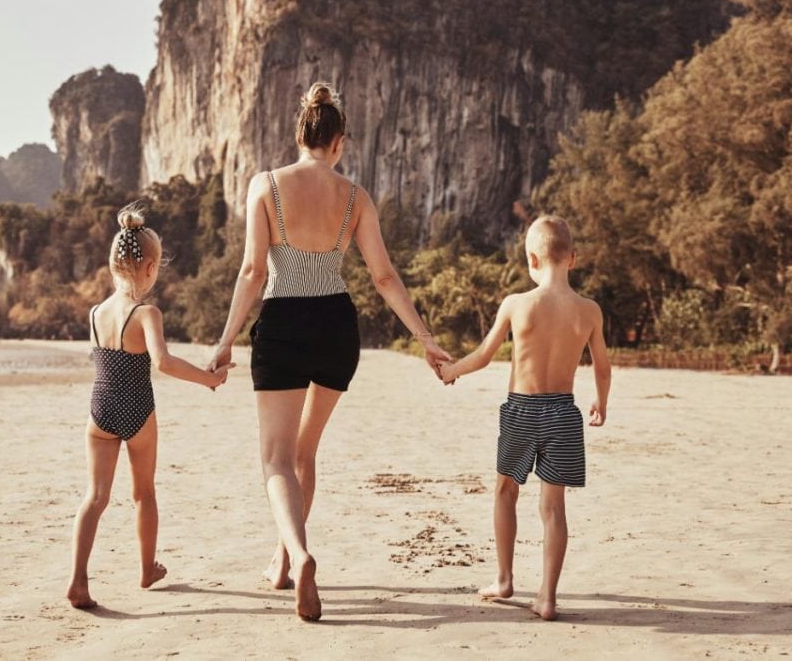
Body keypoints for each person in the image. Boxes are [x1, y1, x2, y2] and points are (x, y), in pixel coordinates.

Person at [208, 82, 451, 621]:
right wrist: (425, 339)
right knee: (304, 452)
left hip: (284, 322)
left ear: (300, 135)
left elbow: (252, 271)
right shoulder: (356, 197)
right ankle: (281, 563)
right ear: (339, 142)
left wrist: (225, 342)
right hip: (338, 326)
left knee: (275, 457)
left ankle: (296, 554)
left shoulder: (265, 185)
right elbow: (384, 276)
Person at [439, 215, 611, 621]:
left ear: (531, 259)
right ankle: (548, 598)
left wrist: (451, 371)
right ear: (573, 258)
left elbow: (483, 356)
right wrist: (601, 402)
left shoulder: (516, 304)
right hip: (563, 413)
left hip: (522, 410)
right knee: (553, 508)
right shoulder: (589, 311)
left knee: (505, 492)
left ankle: (504, 578)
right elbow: (602, 366)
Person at [67, 203, 234, 610]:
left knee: (95, 497)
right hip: (137, 409)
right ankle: (146, 569)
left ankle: (78, 580)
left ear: (112, 264)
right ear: (151, 267)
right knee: (144, 494)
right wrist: (209, 379)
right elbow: (162, 362)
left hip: (100, 410)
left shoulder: (95, 312)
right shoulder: (147, 313)